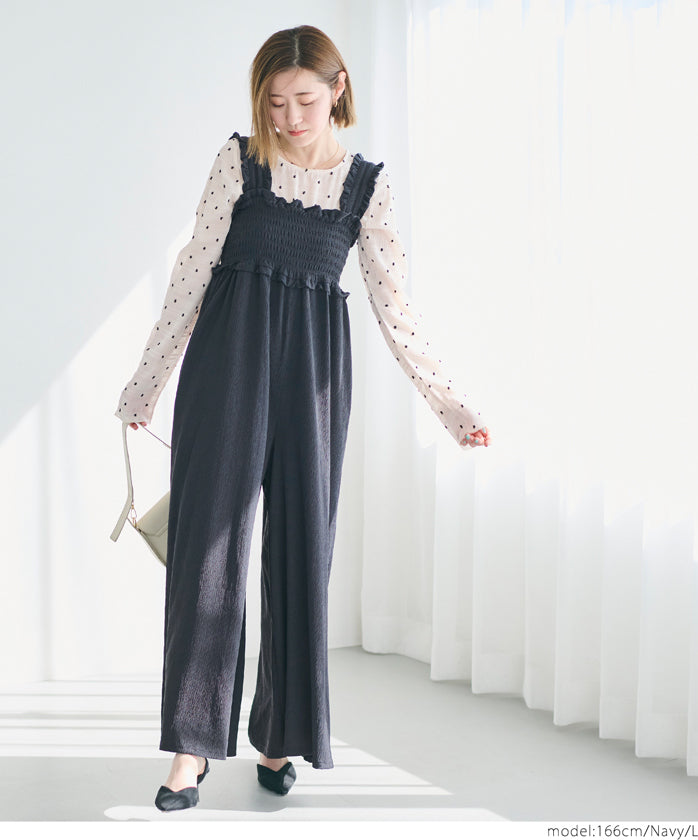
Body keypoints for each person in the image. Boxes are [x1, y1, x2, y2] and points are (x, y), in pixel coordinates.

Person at [114, 24, 491, 811]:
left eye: (304, 101)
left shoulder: (366, 188)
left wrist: (452, 406)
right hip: (226, 366)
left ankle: (279, 736)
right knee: (205, 555)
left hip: (312, 381)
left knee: (299, 552)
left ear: (338, 88)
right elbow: (191, 271)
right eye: (275, 102)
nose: (288, 117)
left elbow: (395, 307)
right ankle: (190, 748)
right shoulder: (239, 162)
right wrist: (145, 383)